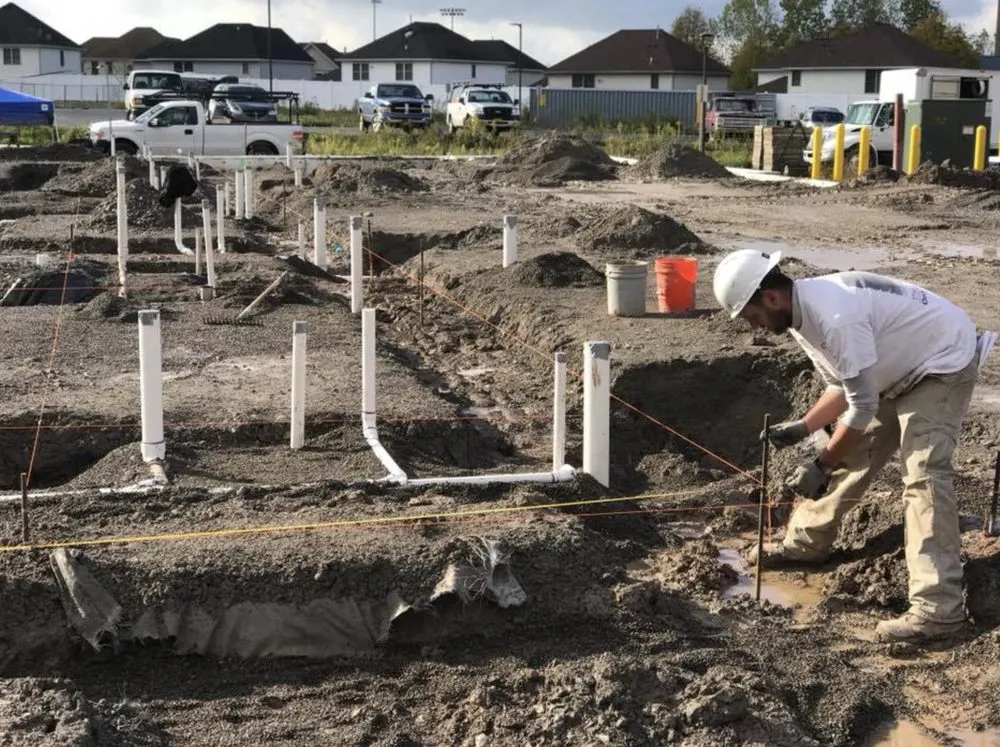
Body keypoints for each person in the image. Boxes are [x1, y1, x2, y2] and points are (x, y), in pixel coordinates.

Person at [713, 249, 995, 643]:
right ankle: (806, 544)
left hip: (941, 363)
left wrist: (822, 465)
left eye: (753, 316)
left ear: (770, 298)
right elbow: (842, 385)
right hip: (897, 367)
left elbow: (862, 406)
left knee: (923, 476)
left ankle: (939, 610)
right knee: (855, 451)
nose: (755, 326)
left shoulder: (834, 316)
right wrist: (804, 426)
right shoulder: (800, 314)